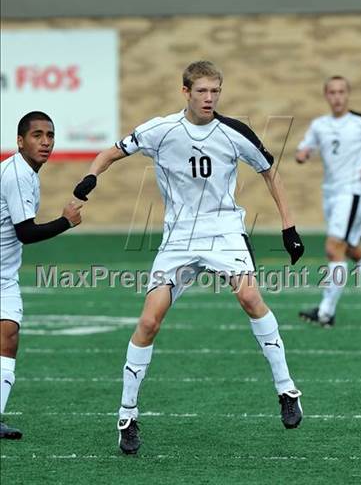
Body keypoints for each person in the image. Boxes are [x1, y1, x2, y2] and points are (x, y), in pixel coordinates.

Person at [73, 61, 305, 455]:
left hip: (224, 232)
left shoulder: (234, 132)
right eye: (202, 91)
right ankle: (127, 414)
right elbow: (112, 152)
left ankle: (287, 390)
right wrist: (88, 181)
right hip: (179, 239)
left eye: (215, 91)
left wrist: (289, 227)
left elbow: (270, 172)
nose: (209, 98)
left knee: (250, 298)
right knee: (148, 321)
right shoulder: (161, 130)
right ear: (186, 92)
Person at [0, 111, 82, 440]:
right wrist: (66, 221)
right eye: (37, 135)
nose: (45, 141)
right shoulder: (18, 173)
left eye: (49, 135)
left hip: (4, 276)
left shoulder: (27, 172)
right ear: (20, 141)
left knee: (8, 336)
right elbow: (26, 233)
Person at [295, 76, 361, 327]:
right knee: (353, 248)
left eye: (341, 92)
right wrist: (302, 154)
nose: (337, 97)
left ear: (348, 94)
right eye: (332, 92)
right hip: (330, 194)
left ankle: (325, 312)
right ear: (326, 96)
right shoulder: (319, 125)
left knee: (334, 249)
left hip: (354, 193)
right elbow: (304, 148)